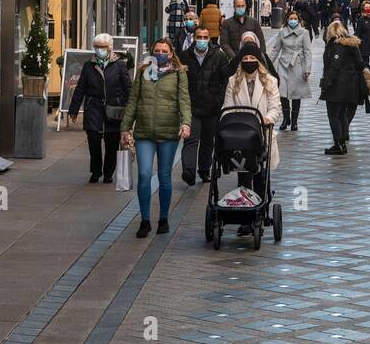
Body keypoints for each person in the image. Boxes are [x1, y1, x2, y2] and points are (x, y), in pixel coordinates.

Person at [119, 38, 191, 238]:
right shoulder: (143, 72)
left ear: (171, 53)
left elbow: (184, 100)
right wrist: (125, 127)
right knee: (143, 175)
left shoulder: (179, 74)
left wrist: (186, 123)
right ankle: (144, 220)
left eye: (164, 50)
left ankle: (163, 219)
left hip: (168, 132)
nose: (160, 53)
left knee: (164, 177)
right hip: (144, 132)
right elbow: (133, 100)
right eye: (157, 50)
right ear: (152, 52)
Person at [222, 43, 282, 235]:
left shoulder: (269, 81)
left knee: (261, 175)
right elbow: (227, 106)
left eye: (252, 59)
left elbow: (275, 106)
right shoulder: (233, 81)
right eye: (245, 59)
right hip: (239, 136)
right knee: (244, 175)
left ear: (258, 60)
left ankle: (262, 208)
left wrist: (268, 118)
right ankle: (246, 218)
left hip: (262, 135)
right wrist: (229, 122)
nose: (248, 62)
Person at [67, 33, 133, 184]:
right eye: (97, 47)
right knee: (93, 140)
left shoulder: (119, 65)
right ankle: (96, 171)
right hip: (93, 107)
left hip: (114, 109)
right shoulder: (89, 66)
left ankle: (108, 173)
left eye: (102, 47)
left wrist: (130, 110)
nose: (99, 50)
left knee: (112, 143)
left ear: (109, 48)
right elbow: (80, 88)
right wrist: (73, 109)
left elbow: (128, 88)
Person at [178, 26, 231, 186]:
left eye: (205, 37)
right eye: (199, 37)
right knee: (191, 139)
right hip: (191, 106)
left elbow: (225, 81)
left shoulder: (219, 56)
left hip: (212, 107)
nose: (202, 40)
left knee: (208, 141)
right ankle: (188, 171)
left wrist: (219, 100)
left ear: (209, 38)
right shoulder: (184, 56)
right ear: (194, 38)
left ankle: (204, 170)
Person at [319, 19, 370, 156]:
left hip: (337, 86)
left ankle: (338, 144)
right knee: (342, 115)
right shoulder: (352, 44)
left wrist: (325, 83)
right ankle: (342, 142)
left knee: (333, 115)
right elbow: (360, 63)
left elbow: (334, 67)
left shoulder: (336, 46)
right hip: (351, 86)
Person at [271, 10, 312, 132]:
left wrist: (307, 68)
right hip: (283, 64)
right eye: (290, 18)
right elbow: (275, 49)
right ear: (287, 20)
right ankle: (285, 118)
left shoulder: (304, 33)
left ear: (298, 20)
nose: (293, 20)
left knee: (296, 93)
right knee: (282, 92)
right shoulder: (282, 32)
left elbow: (307, 52)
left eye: (295, 18)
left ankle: (294, 121)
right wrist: (267, 63)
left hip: (297, 64)